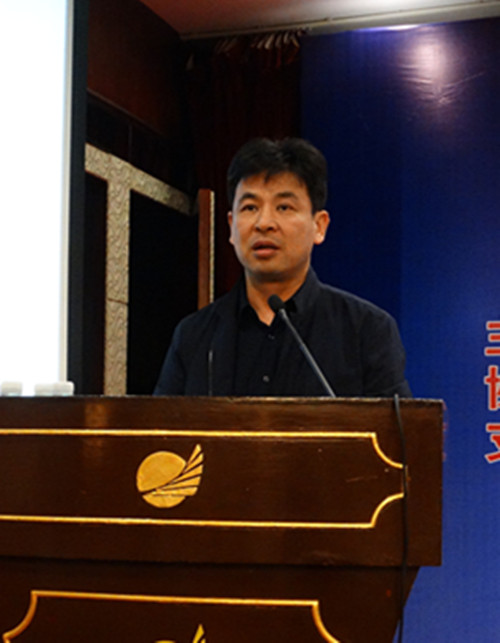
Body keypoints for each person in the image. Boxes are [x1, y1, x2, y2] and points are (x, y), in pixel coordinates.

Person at [154, 137, 411, 397]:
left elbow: (397, 424)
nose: (264, 223)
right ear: (231, 226)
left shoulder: (366, 332)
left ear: (319, 226)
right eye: (250, 207)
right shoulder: (194, 336)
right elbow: (161, 423)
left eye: (284, 207)